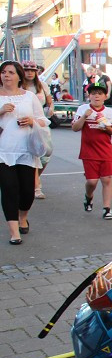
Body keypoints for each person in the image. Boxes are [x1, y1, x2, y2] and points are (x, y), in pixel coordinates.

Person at [0, 60, 49, 244]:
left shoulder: (29, 96)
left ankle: (23, 217)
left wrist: (32, 122)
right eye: (3, 72)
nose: (6, 75)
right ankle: (14, 232)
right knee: (9, 189)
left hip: (26, 150)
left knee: (27, 192)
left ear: (19, 76)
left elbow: (43, 120)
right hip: (3, 152)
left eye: (11, 72)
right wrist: (0, 111)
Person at [72, 83, 112, 220]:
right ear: (89, 96)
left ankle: (107, 208)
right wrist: (84, 117)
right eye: (93, 93)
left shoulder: (110, 113)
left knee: (106, 179)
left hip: (105, 151)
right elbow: (75, 128)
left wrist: (106, 128)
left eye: (99, 93)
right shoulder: (83, 109)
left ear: (105, 96)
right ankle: (88, 197)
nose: (96, 96)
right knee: (92, 181)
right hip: (89, 151)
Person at [21, 62, 54, 200]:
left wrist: (51, 108)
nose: (29, 73)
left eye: (32, 70)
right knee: (32, 154)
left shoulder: (42, 85)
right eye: (26, 70)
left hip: (41, 121)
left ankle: (33, 178)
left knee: (46, 153)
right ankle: (36, 186)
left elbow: (49, 101)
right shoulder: (19, 86)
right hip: (25, 122)